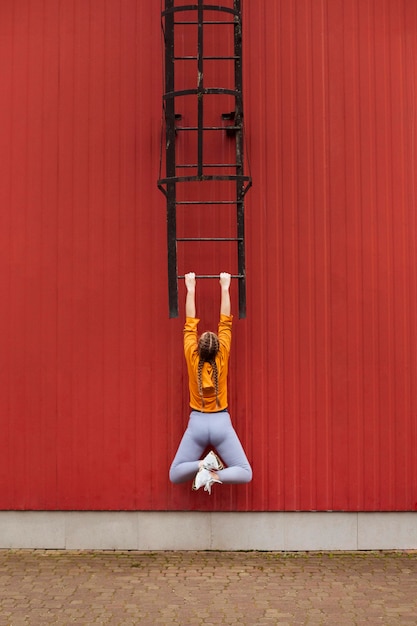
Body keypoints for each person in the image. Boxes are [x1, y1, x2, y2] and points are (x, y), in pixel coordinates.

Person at [169, 272, 252, 494]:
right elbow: (226, 322)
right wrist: (225, 286)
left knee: (175, 473)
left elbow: (189, 324)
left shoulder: (191, 356)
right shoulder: (222, 355)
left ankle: (202, 465)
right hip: (221, 424)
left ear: (198, 347)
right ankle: (213, 474)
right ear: (217, 346)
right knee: (245, 472)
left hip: (197, 423)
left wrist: (190, 287)